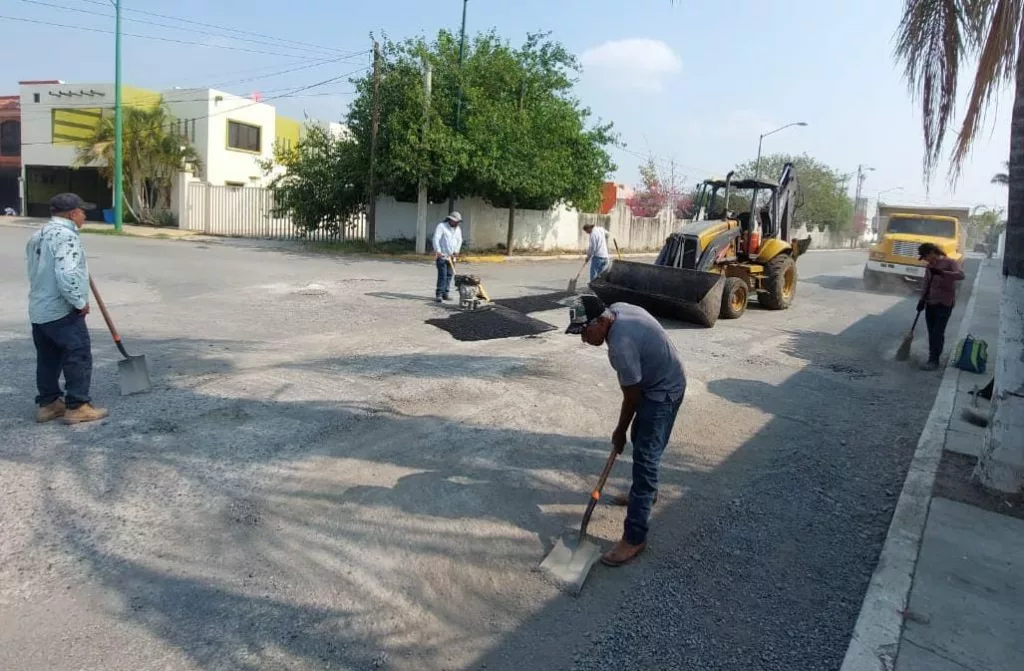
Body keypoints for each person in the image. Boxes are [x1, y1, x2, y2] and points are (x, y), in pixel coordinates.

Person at [566, 294, 686, 567]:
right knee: (640, 439)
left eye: (584, 331)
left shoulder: (619, 346)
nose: (583, 339)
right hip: (658, 378)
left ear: (600, 321)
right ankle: (646, 494)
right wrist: (627, 432)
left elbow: (631, 398)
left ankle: (635, 538)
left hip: (664, 391)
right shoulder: (617, 309)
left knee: (646, 459)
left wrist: (619, 431)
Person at [25, 193, 109, 424]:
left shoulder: (37, 236)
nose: (85, 215)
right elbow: (67, 274)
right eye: (83, 211)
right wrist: (79, 302)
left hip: (39, 310)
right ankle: (78, 406)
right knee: (78, 354)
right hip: (61, 310)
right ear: (72, 214)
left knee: (48, 358)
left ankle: (49, 403)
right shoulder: (67, 238)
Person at [917, 242, 965, 371]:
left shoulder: (950, 262)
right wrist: (921, 300)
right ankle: (932, 357)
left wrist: (942, 273)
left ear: (932, 252)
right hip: (930, 303)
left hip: (944, 303)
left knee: (938, 332)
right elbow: (926, 284)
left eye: (926, 256)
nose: (926, 259)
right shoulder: (929, 267)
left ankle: (934, 361)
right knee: (931, 332)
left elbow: (961, 275)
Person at [432, 212, 463, 303]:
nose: (457, 223)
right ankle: (439, 294)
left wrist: (457, 251)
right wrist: (438, 250)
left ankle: (446, 293)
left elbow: (459, 240)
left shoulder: (458, 229)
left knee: (449, 275)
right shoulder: (441, 226)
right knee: (443, 275)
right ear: (450, 220)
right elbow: (436, 238)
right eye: (455, 221)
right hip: (442, 256)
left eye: (458, 222)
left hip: (452, 256)